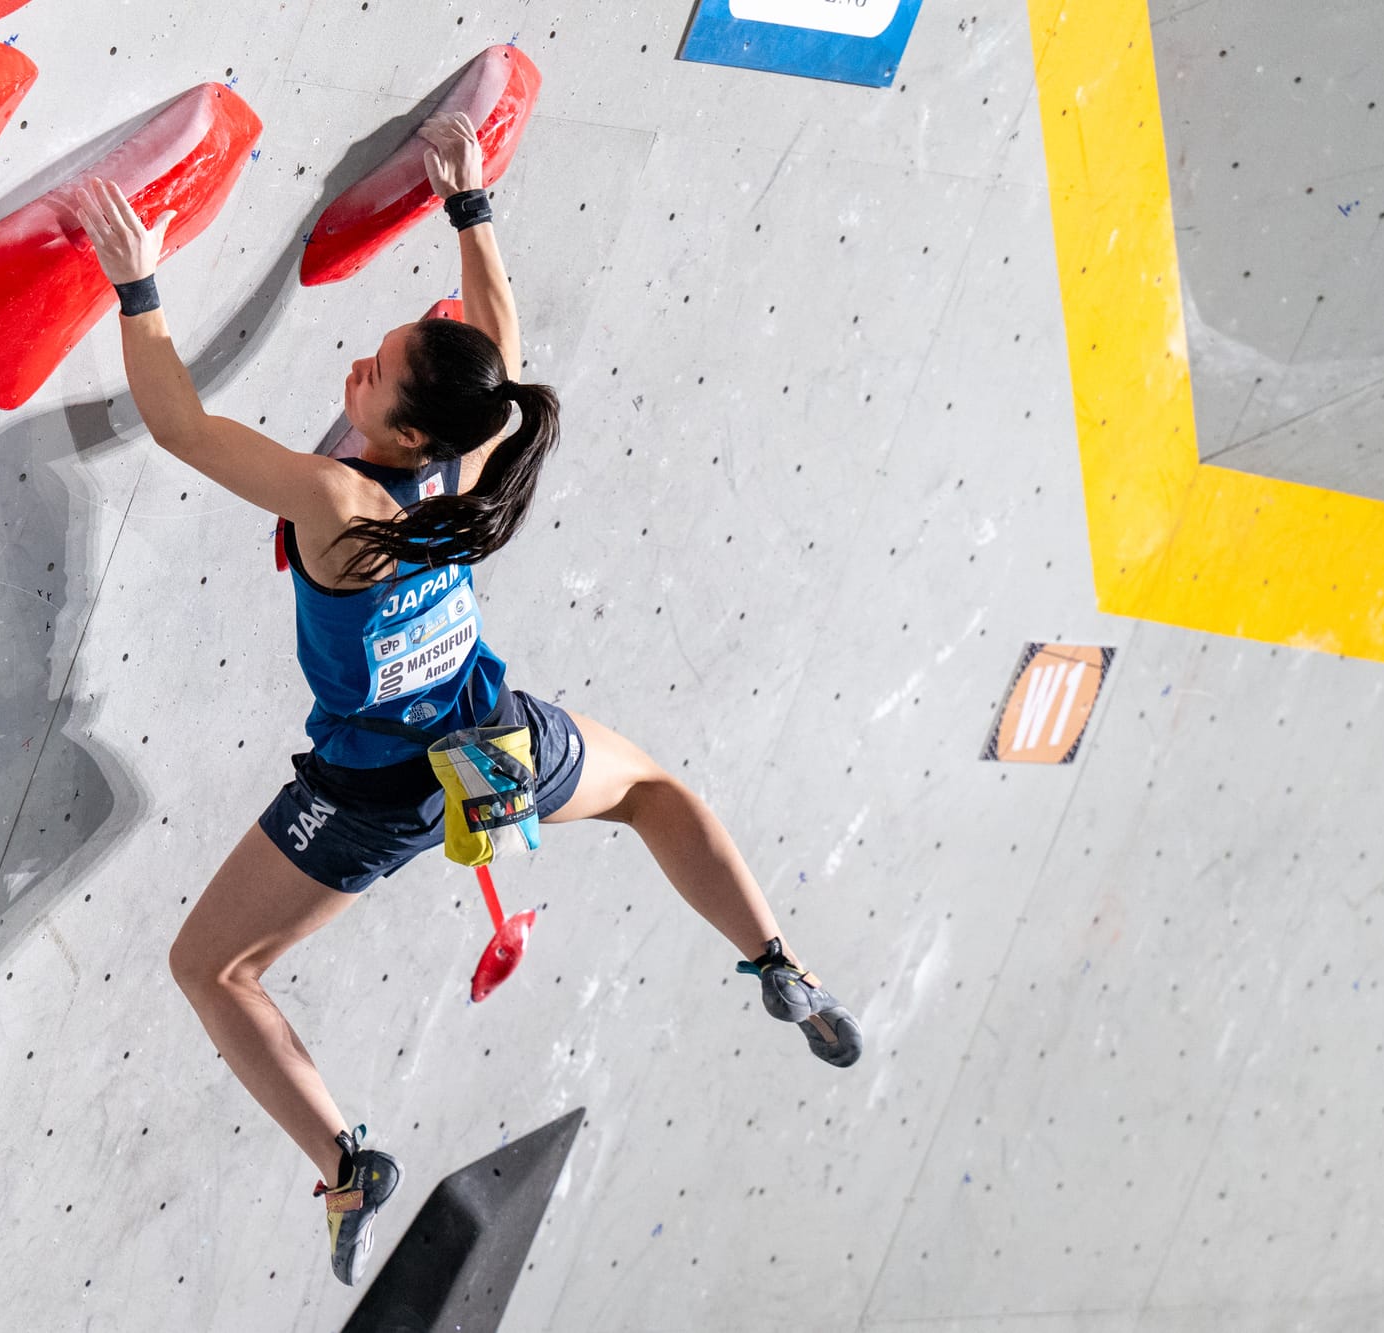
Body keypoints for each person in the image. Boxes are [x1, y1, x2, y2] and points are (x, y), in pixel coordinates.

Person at [72, 110, 861, 1288]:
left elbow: (181, 428)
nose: (358, 363)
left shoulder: (340, 502)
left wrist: (136, 285)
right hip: (493, 743)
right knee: (650, 792)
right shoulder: (464, 466)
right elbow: (498, 346)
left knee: (211, 968)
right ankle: (777, 961)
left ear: (399, 428)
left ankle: (345, 1160)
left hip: (375, 790)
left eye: (373, 369)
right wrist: (468, 203)